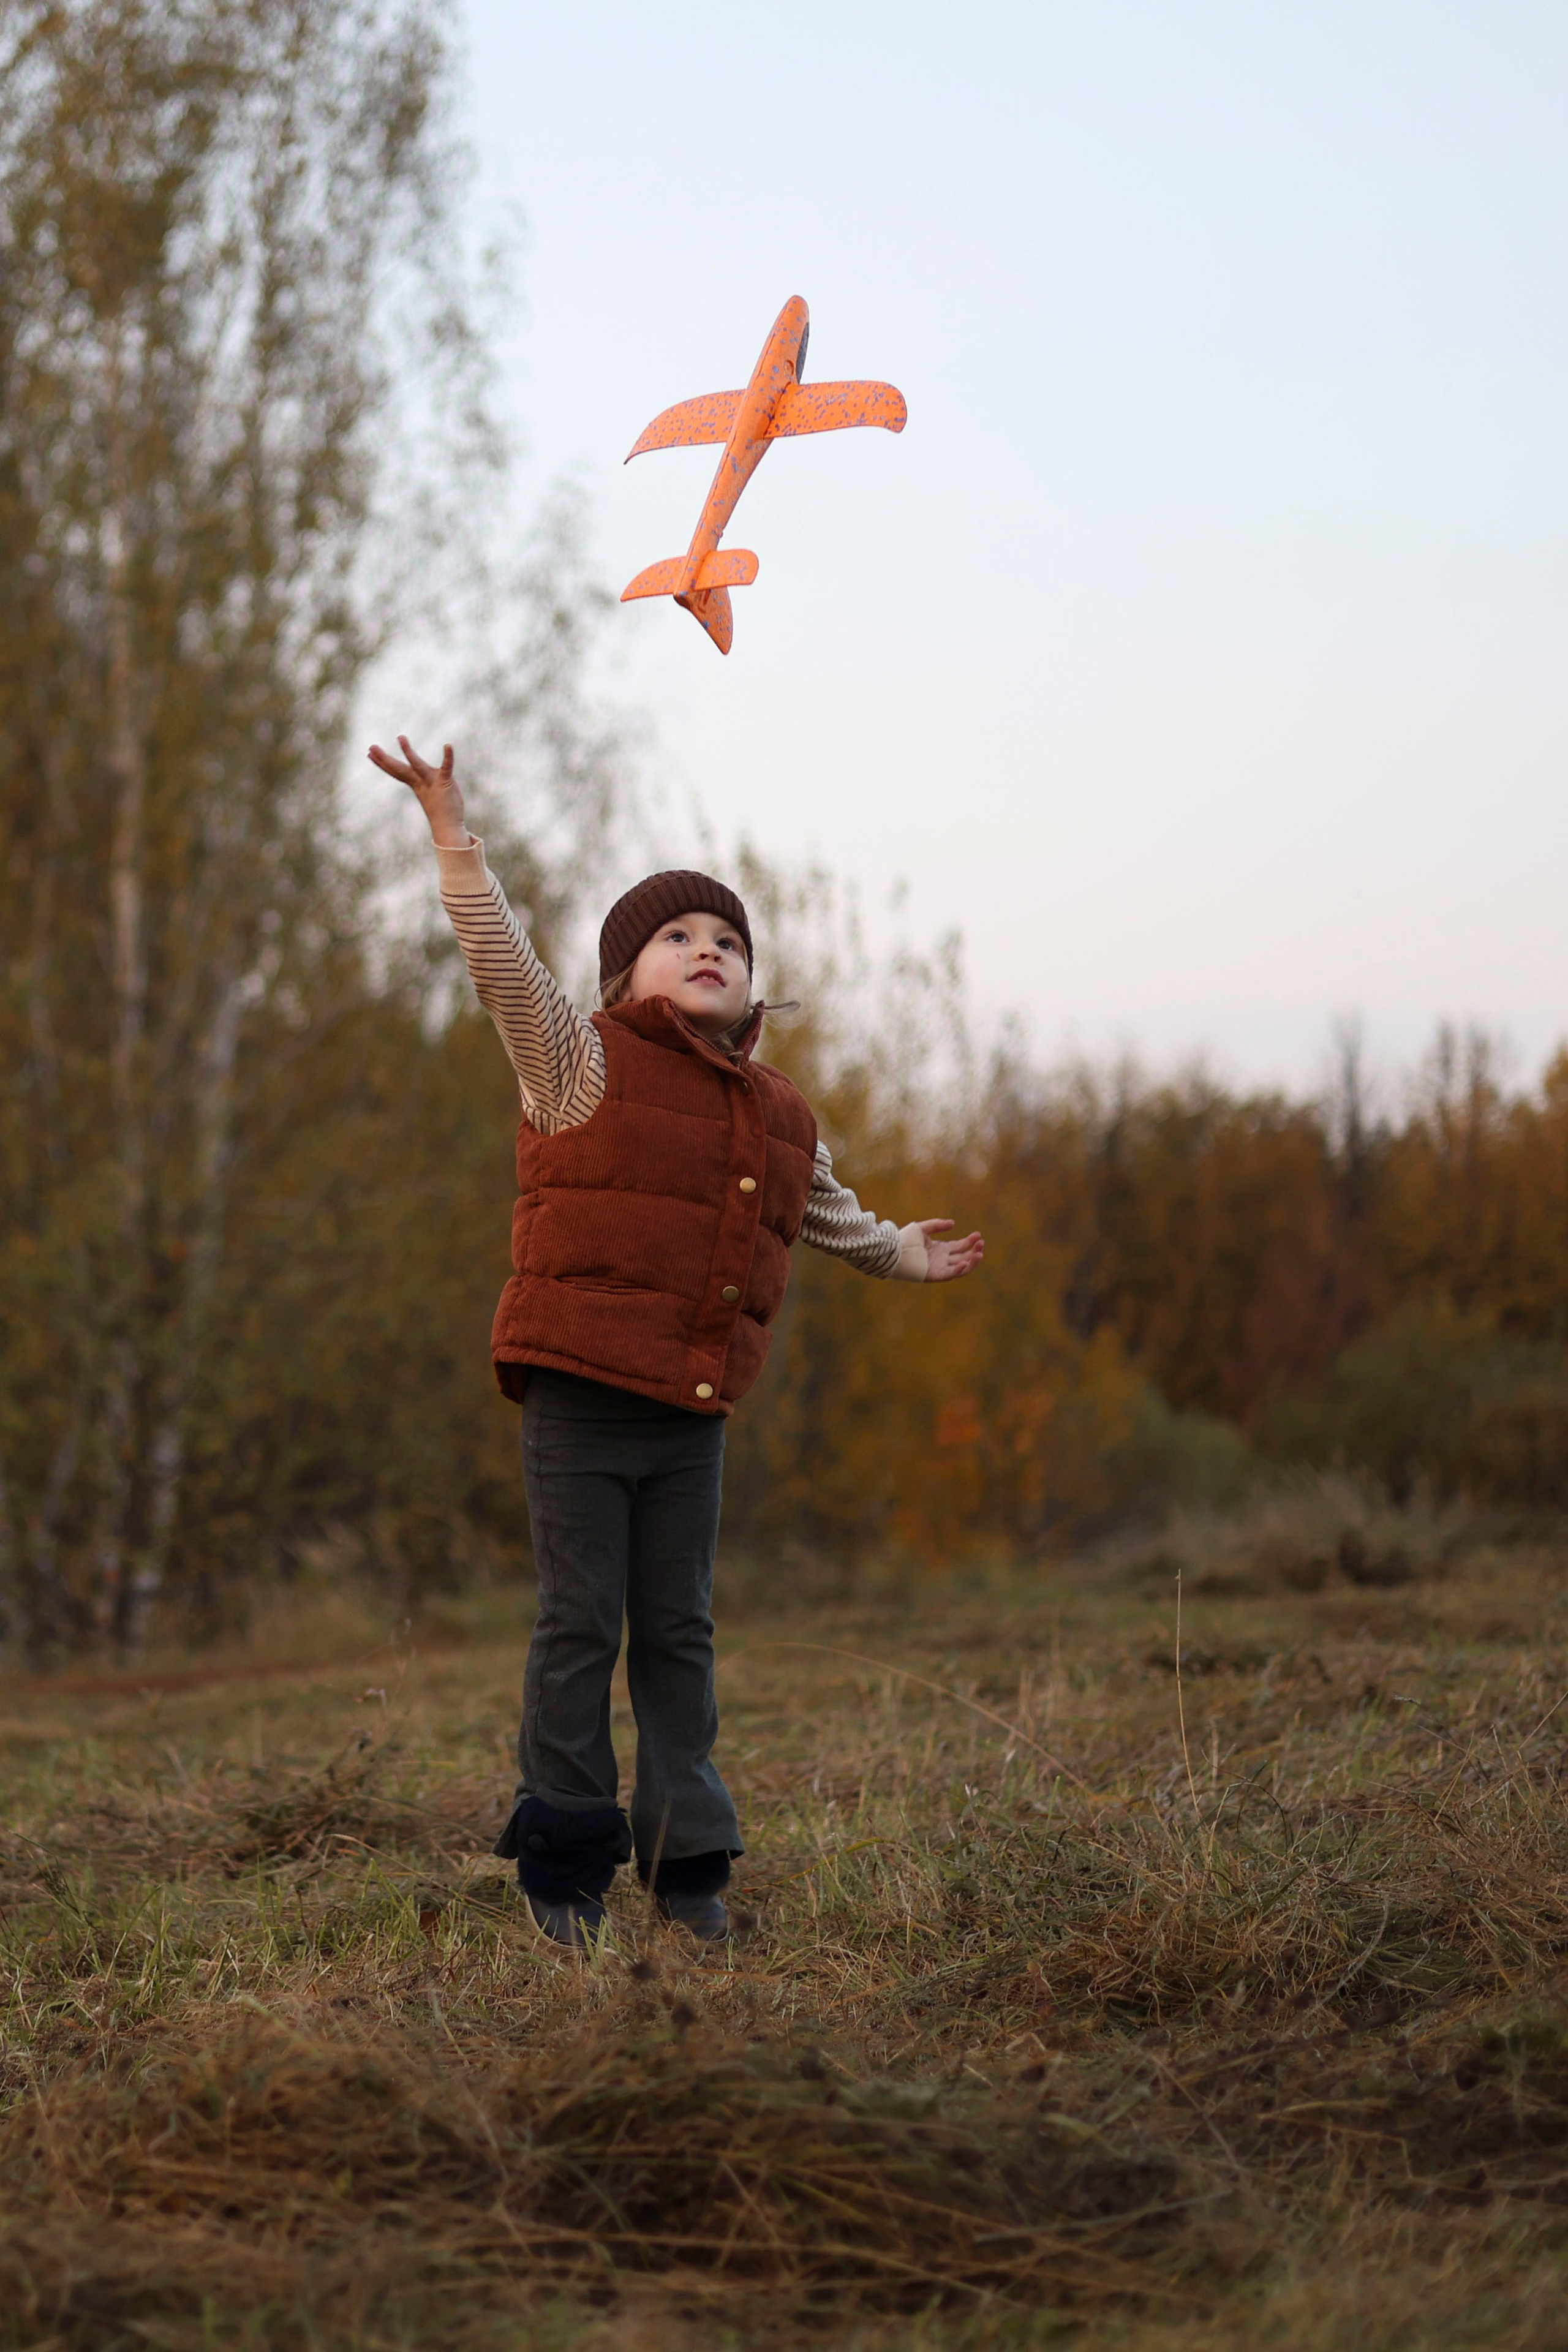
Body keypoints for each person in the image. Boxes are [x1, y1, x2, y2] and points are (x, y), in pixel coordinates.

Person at [369, 734, 985, 1948]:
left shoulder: (776, 1113)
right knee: (579, 1626)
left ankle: (689, 1864)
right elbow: (499, 964)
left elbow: (825, 1213)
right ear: (622, 980)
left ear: (750, 983)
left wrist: (902, 1254)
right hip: (582, 1395)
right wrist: (452, 833)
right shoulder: (579, 1062)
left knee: (680, 1634)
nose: (708, 949)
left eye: (728, 941)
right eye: (676, 937)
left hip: (690, 1408)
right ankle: (563, 1868)